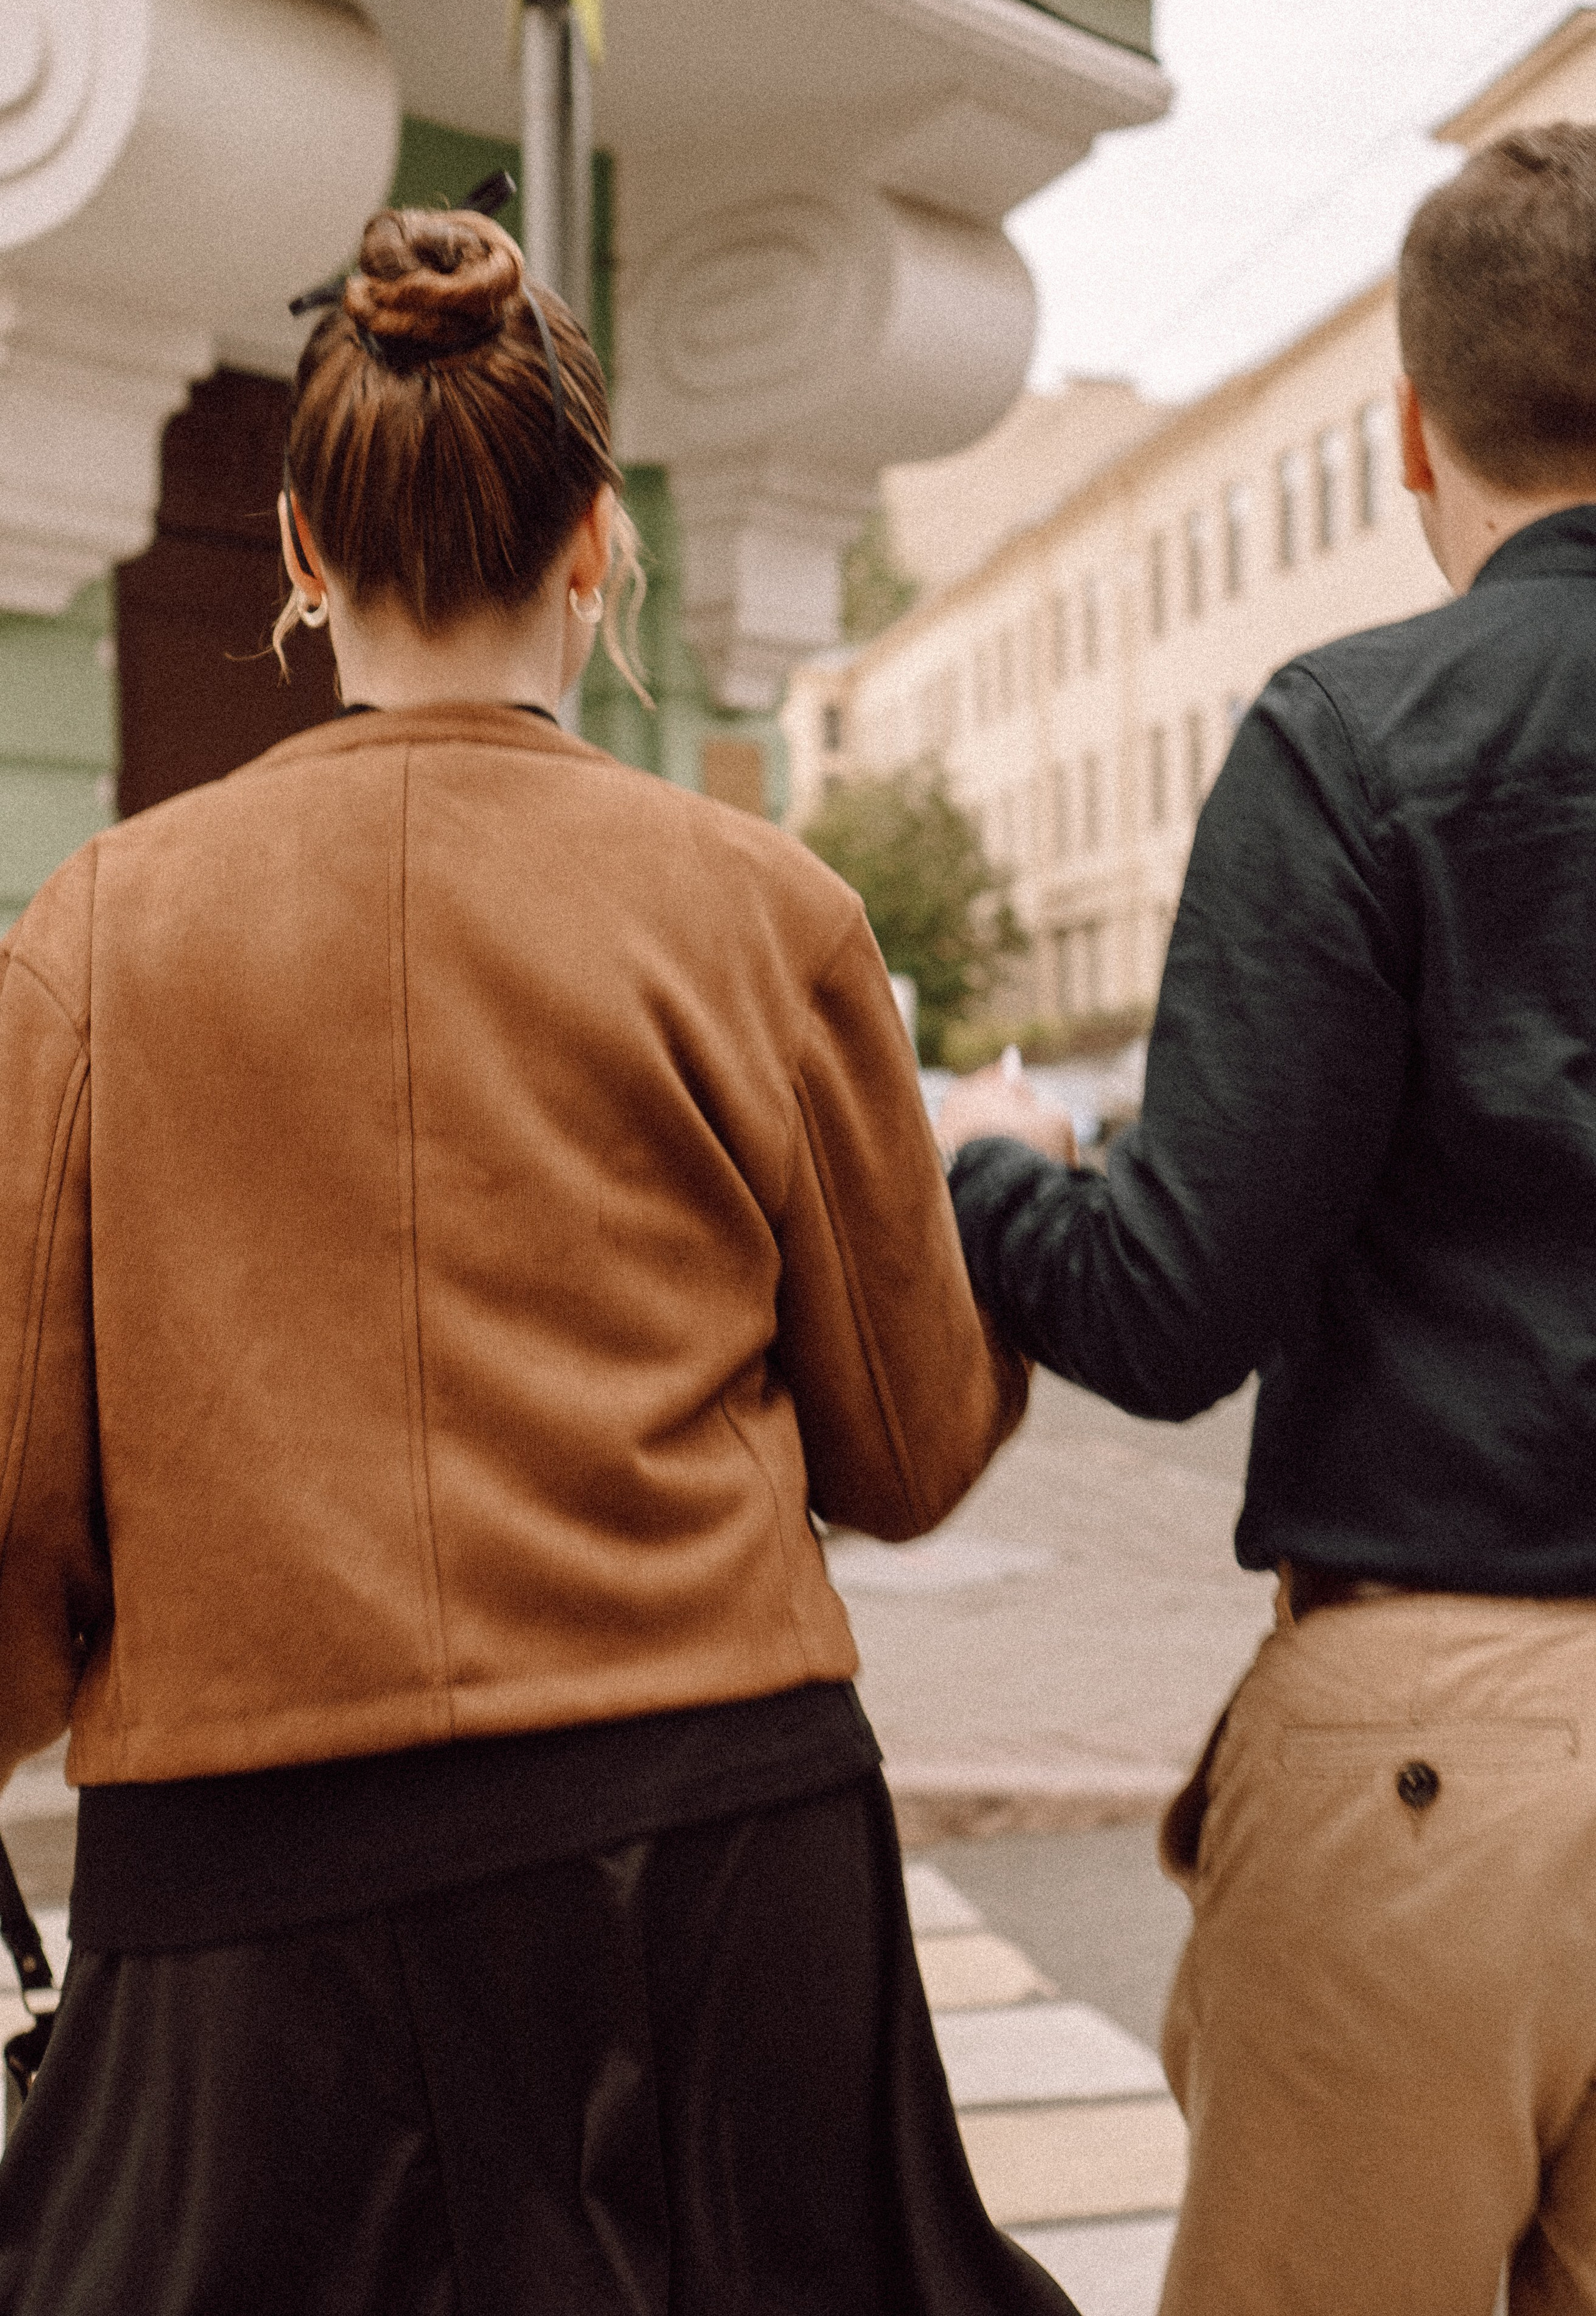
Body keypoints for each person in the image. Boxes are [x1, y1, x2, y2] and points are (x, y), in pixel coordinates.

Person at [0, 199, 1075, 2316]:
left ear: (303, 549)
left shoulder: (94, 934)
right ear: (596, 539)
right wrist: (1005, 1174)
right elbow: (911, 1446)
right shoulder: (769, 915)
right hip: (721, 1868)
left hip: (253, 1902)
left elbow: (14, 1495)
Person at [938, 123, 1596, 2316]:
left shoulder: (1349, 740)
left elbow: (1166, 1305)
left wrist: (990, 1171)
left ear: (1410, 431)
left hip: (1430, 1757)